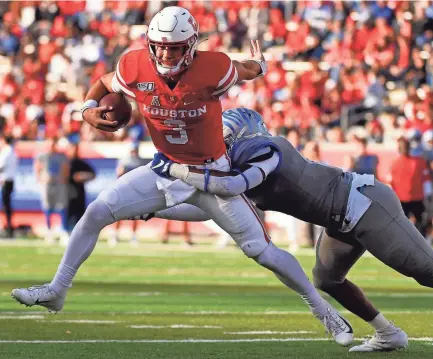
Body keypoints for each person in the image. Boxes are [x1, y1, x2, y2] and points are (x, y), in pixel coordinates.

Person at [11, 7, 353, 346]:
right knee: (96, 212)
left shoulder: (212, 68)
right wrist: (86, 110)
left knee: (261, 252)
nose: (164, 53)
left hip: (212, 176)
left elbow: (245, 70)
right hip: (164, 168)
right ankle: (57, 290)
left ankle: (323, 311)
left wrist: (261, 65)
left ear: (190, 46)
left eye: (173, 47)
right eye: (159, 45)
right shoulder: (134, 65)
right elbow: (103, 82)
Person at [141, 107, 433, 352]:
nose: (220, 146)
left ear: (245, 135)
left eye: (225, 139)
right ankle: (388, 334)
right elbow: (209, 209)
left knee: (426, 271)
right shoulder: (242, 168)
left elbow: (227, 187)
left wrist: (176, 169)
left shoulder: (269, 149)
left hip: (366, 204)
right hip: (340, 218)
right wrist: (153, 210)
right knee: (327, 279)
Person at [388, 137, 432, 236]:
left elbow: (425, 179)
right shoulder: (396, 163)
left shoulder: (418, 162)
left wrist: (428, 195)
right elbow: (391, 182)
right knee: (404, 225)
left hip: (415, 198)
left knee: (420, 223)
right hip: (402, 199)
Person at [109, 142, 147, 247]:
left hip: (135, 192)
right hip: (124, 191)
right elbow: (119, 174)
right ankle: (115, 235)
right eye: (133, 150)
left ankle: (133, 235)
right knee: (119, 214)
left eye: (135, 150)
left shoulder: (140, 162)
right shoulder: (125, 161)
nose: (134, 152)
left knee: (135, 215)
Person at [33, 137, 70, 245]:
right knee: (47, 207)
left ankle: (63, 231)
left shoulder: (61, 156)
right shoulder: (42, 156)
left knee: (62, 206)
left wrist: (64, 179)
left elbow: (65, 168)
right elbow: (37, 167)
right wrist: (40, 179)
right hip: (47, 185)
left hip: (59, 184)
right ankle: (49, 231)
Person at [66, 142, 95, 233]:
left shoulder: (81, 163)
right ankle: (67, 231)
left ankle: (79, 232)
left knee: (80, 214)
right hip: (67, 191)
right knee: (68, 213)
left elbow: (92, 174)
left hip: (79, 192)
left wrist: (83, 176)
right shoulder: (65, 162)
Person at [0, 135, 17, 238]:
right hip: (9, 180)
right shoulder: (12, 151)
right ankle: (9, 226)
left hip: (6, 180)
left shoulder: (7, 151)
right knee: (7, 205)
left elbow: (1, 166)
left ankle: (9, 227)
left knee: (6, 205)